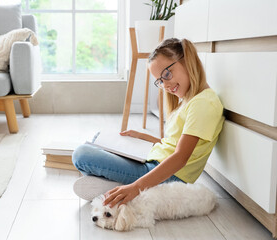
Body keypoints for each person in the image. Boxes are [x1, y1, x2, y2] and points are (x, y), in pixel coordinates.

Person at [72, 38, 225, 208]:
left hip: (169, 174)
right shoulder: (190, 100)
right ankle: (119, 186)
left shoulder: (203, 103)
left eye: (167, 74)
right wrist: (142, 137)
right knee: (96, 140)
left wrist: (136, 186)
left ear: (187, 61)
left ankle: (125, 189)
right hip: (155, 161)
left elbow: (181, 158)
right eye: (160, 81)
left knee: (81, 154)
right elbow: (174, 144)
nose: (165, 85)